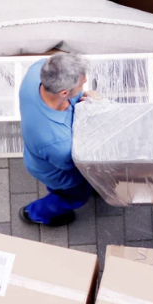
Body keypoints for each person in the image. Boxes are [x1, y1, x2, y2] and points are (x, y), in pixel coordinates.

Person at [17, 52, 100, 228]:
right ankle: (36, 214)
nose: (85, 83)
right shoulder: (58, 144)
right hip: (59, 174)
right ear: (64, 92)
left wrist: (83, 98)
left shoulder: (38, 71)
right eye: (81, 83)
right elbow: (77, 163)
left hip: (38, 154)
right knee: (73, 197)